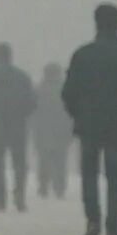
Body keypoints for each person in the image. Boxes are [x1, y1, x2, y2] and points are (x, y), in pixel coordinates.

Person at [61, 2, 117, 235]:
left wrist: (79, 115)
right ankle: (113, 226)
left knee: (89, 175)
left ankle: (92, 222)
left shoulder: (82, 56)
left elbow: (68, 92)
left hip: (88, 124)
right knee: (116, 176)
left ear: (96, 23)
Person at [0, 43, 38, 212]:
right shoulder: (22, 77)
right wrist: (23, 115)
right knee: (19, 162)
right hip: (18, 124)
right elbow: (32, 101)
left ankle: (0, 200)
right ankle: (19, 195)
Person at [30, 62, 71, 201]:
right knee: (60, 159)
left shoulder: (39, 90)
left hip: (42, 130)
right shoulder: (66, 89)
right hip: (62, 130)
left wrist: (32, 127)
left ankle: (43, 186)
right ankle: (60, 187)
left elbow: (32, 111)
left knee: (44, 159)